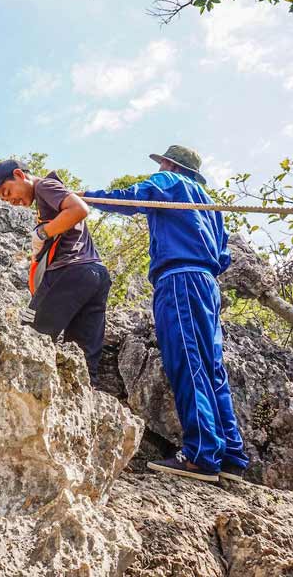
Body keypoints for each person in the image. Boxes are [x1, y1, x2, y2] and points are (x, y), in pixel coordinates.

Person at [83, 145, 249, 483]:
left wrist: (83, 197)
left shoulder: (170, 182)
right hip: (206, 284)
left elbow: (130, 198)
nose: (158, 165)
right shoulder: (209, 204)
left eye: (161, 161)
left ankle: (201, 455)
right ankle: (231, 456)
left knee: (186, 361)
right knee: (211, 366)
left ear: (171, 164)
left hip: (179, 280)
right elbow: (224, 256)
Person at [0, 160, 111, 383]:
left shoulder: (44, 187)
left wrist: (43, 234)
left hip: (70, 271)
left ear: (19, 174)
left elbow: (80, 209)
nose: (11, 200)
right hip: (95, 275)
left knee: (28, 335)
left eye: (7, 191)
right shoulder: (48, 199)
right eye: (5, 199)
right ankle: (88, 400)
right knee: (82, 356)